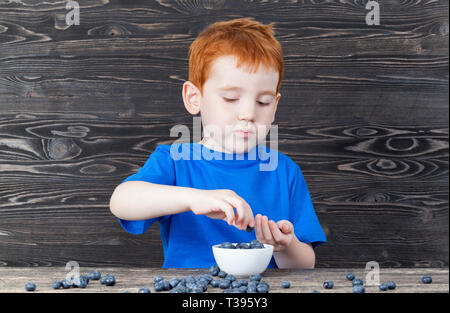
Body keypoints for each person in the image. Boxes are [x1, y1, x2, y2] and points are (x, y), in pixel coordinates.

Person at [109, 17, 326, 269]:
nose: (248, 113)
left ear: (275, 106)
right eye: (231, 98)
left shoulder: (285, 171)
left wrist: (284, 246)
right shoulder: (175, 161)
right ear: (194, 98)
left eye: (263, 102)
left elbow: (305, 266)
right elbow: (121, 201)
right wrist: (193, 199)